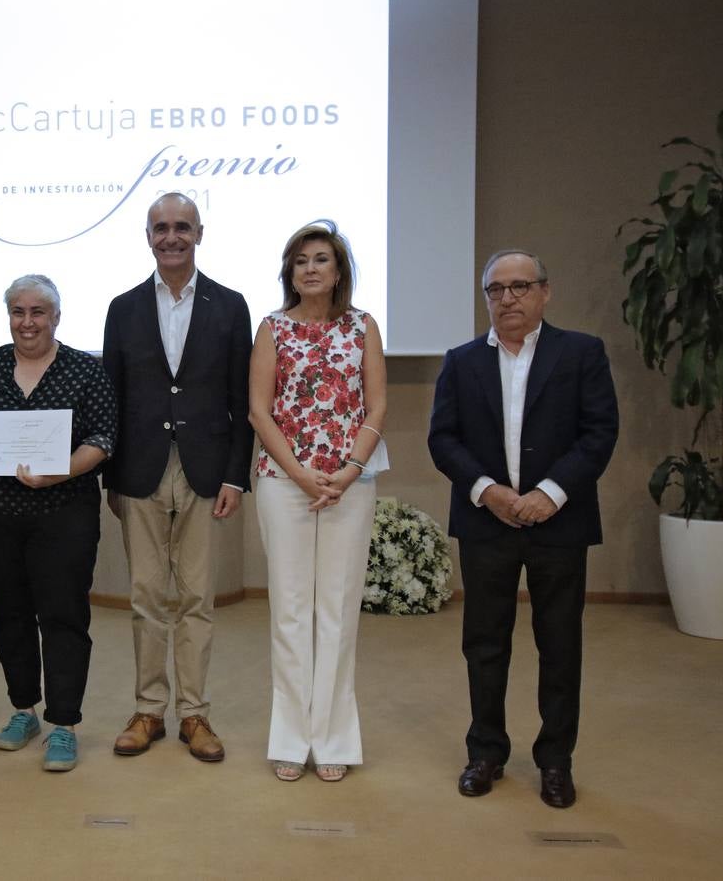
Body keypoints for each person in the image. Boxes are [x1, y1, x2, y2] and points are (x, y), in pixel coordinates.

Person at [428, 250, 618, 809]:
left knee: (559, 645)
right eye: (496, 290)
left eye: (519, 287)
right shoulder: (461, 361)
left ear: (544, 292)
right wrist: (487, 490)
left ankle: (555, 761)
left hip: (560, 521)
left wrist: (548, 494)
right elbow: (444, 440)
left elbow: (599, 433)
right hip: (487, 521)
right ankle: (485, 751)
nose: (507, 298)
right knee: (485, 644)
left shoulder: (582, 353)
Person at [101, 192, 253, 762]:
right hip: (138, 470)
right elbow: (109, 397)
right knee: (144, 596)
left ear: (199, 233)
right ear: (148, 236)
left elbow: (243, 399)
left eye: (182, 227)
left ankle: (195, 714)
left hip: (206, 471)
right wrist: (110, 477)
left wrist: (236, 476)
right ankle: (147, 711)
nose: (171, 237)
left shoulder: (230, 306)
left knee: (195, 597)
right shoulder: (122, 307)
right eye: (161, 228)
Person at [0, 275, 117, 772]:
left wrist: (58, 471)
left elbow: (104, 437)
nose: (28, 322)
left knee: (64, 614)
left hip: (63, 512)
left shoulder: (85, 370)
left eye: (38, 312)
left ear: (56, 318)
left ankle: (64, 723)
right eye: (19, 312)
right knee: (9, 614)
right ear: (9, 317)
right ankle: (22, 709)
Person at [247, 222, 387, 782]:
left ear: (338, 271)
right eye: (300, 260)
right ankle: (290, 737)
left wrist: (348, 470)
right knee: (289, 611)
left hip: (351, 484)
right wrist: (304, 477)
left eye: (321, 259)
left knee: (337, 612)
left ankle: (331, 741)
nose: (310, 268)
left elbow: (376, 408)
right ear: (290, 272)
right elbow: (261, 411)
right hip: (285, 485)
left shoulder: (362, 327)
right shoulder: (272, 329)